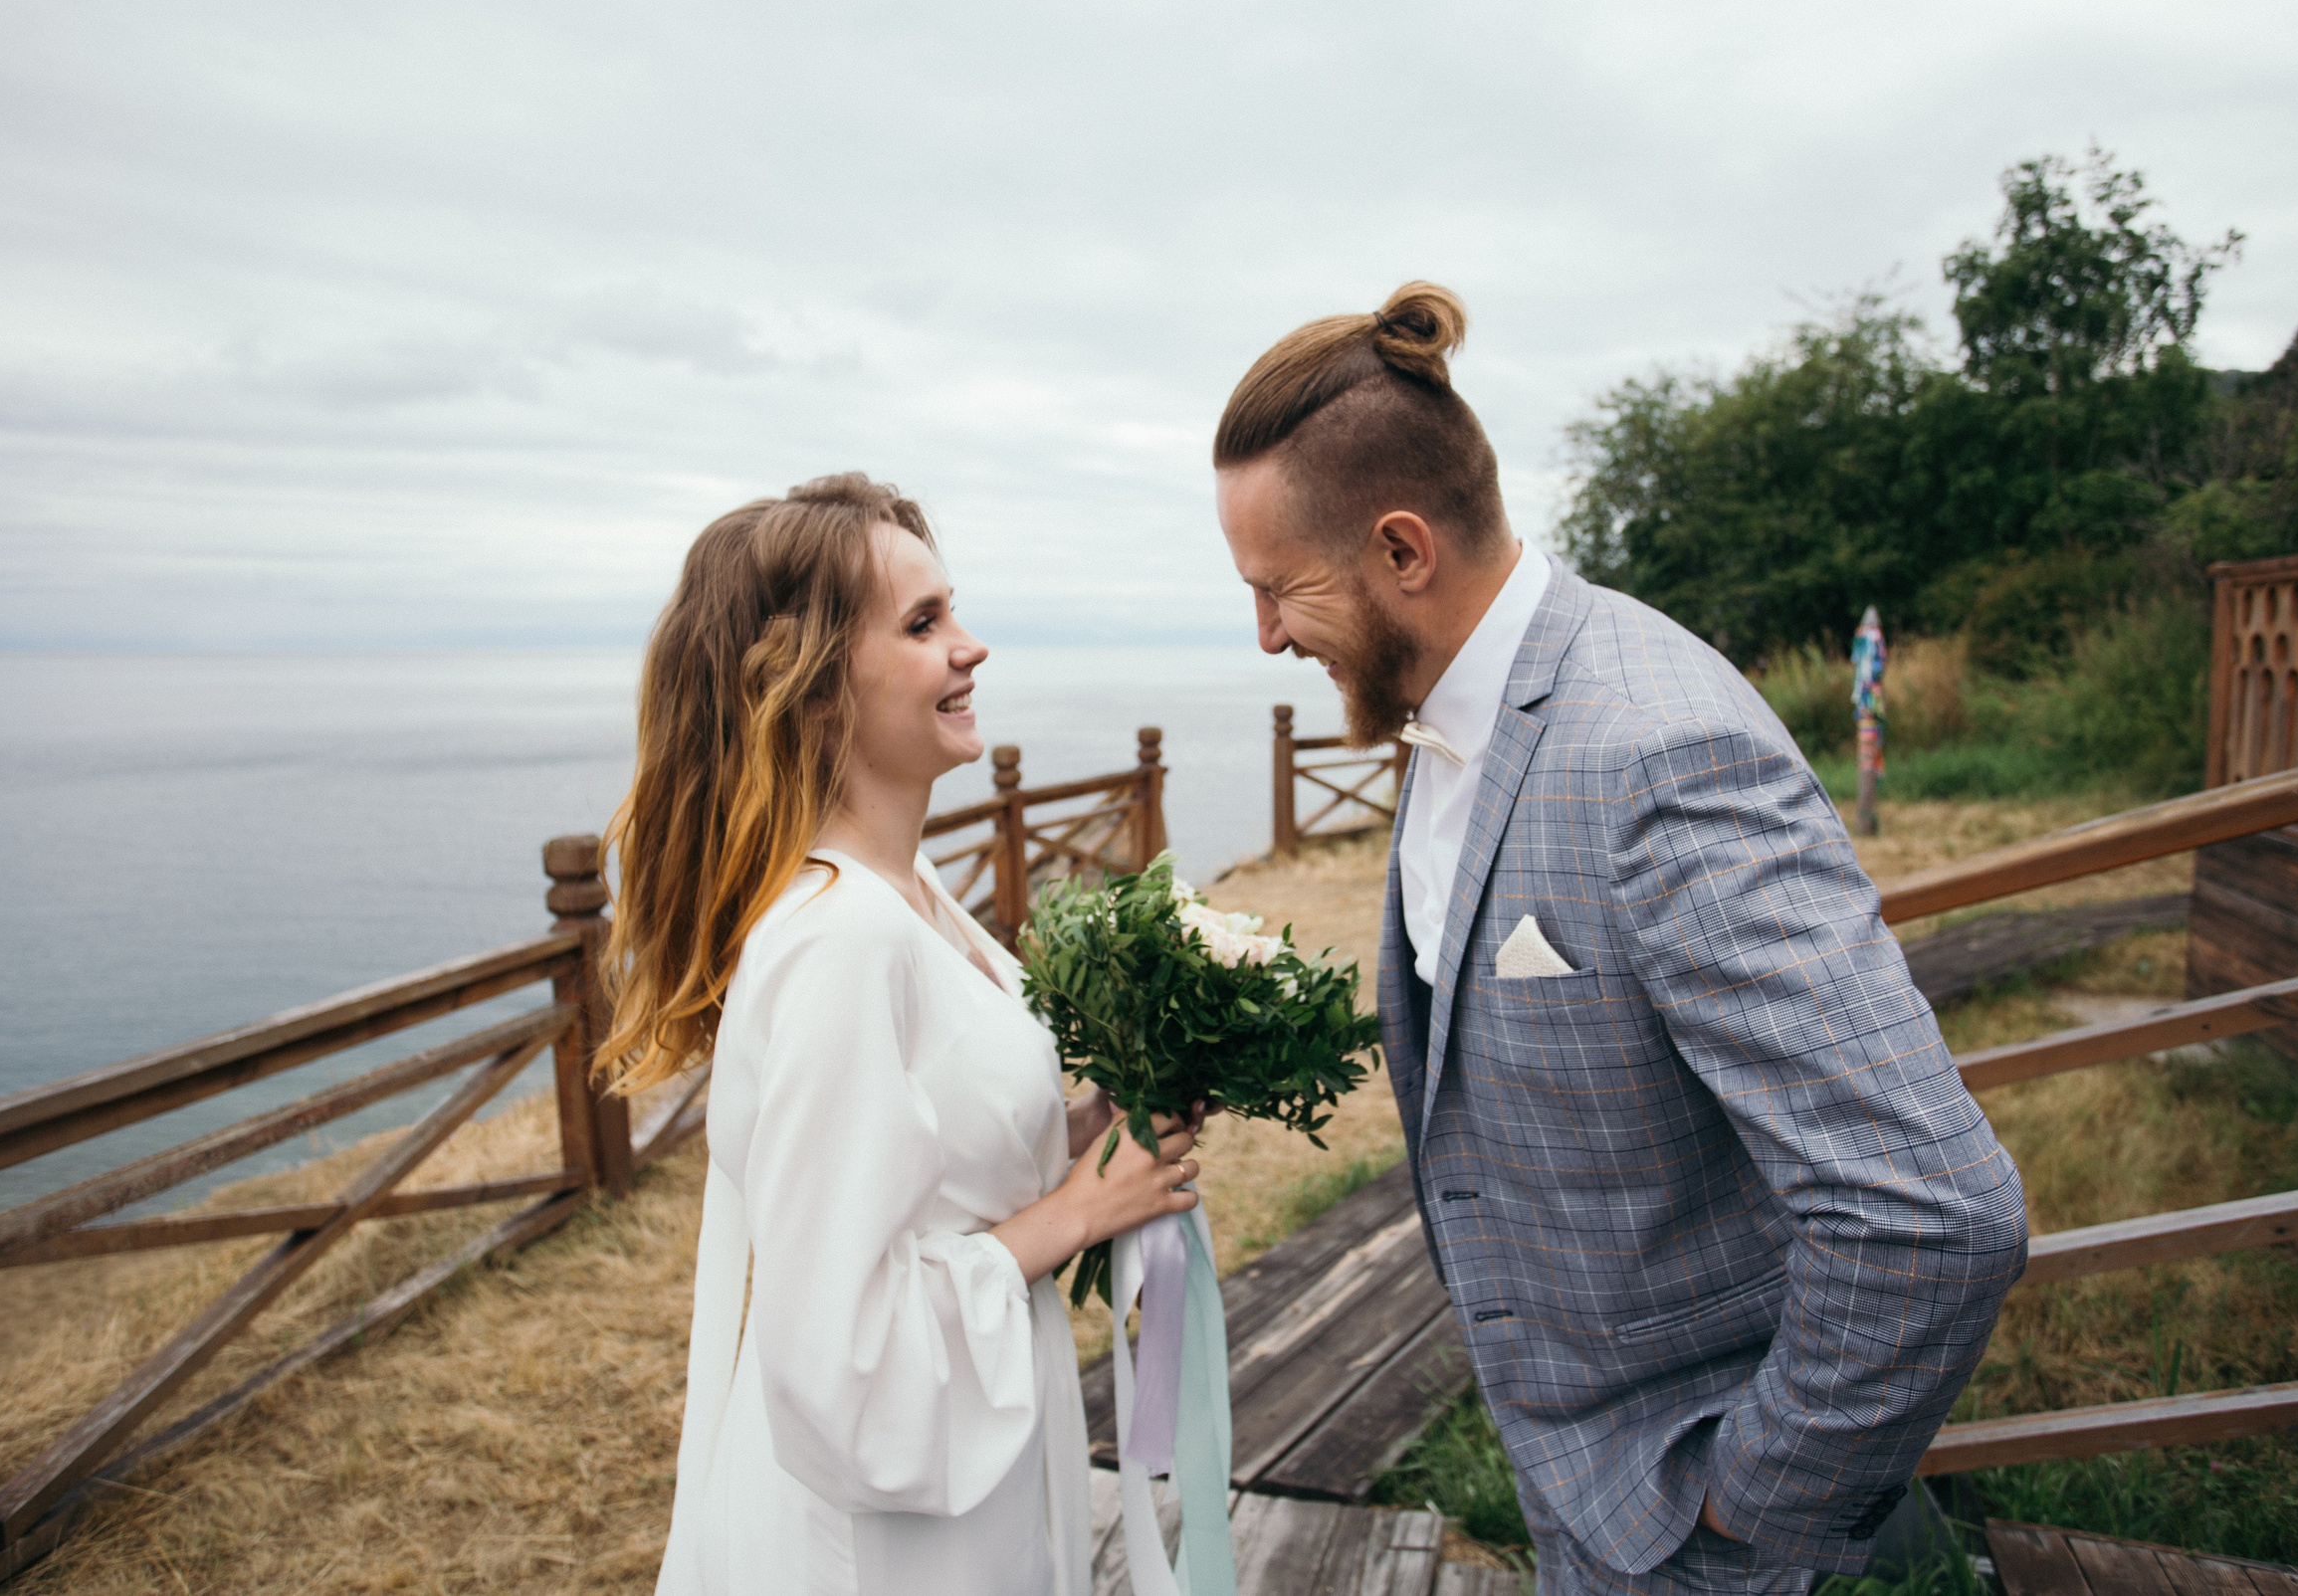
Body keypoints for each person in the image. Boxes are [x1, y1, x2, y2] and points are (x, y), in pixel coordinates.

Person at [1209, 286, 2028, 1593]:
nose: (1264, 635)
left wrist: (1745, 1504)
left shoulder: (1659, 754)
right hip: (1572, 1479)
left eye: (1278, 590)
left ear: (1403, 551)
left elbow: (1929, 1211)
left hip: (1687, 1515)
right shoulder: (1445, 704)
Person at [600, 475, 1203, 1596]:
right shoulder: (841, 944)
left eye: (952, 612)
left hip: (980, 1480)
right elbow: (840, 1358)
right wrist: (1078, 1213)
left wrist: (1091, 1124)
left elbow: (929, 1164)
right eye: (923, 625)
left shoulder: (912, 888)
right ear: (812, 686)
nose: (969, 648)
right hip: (886, 1550)